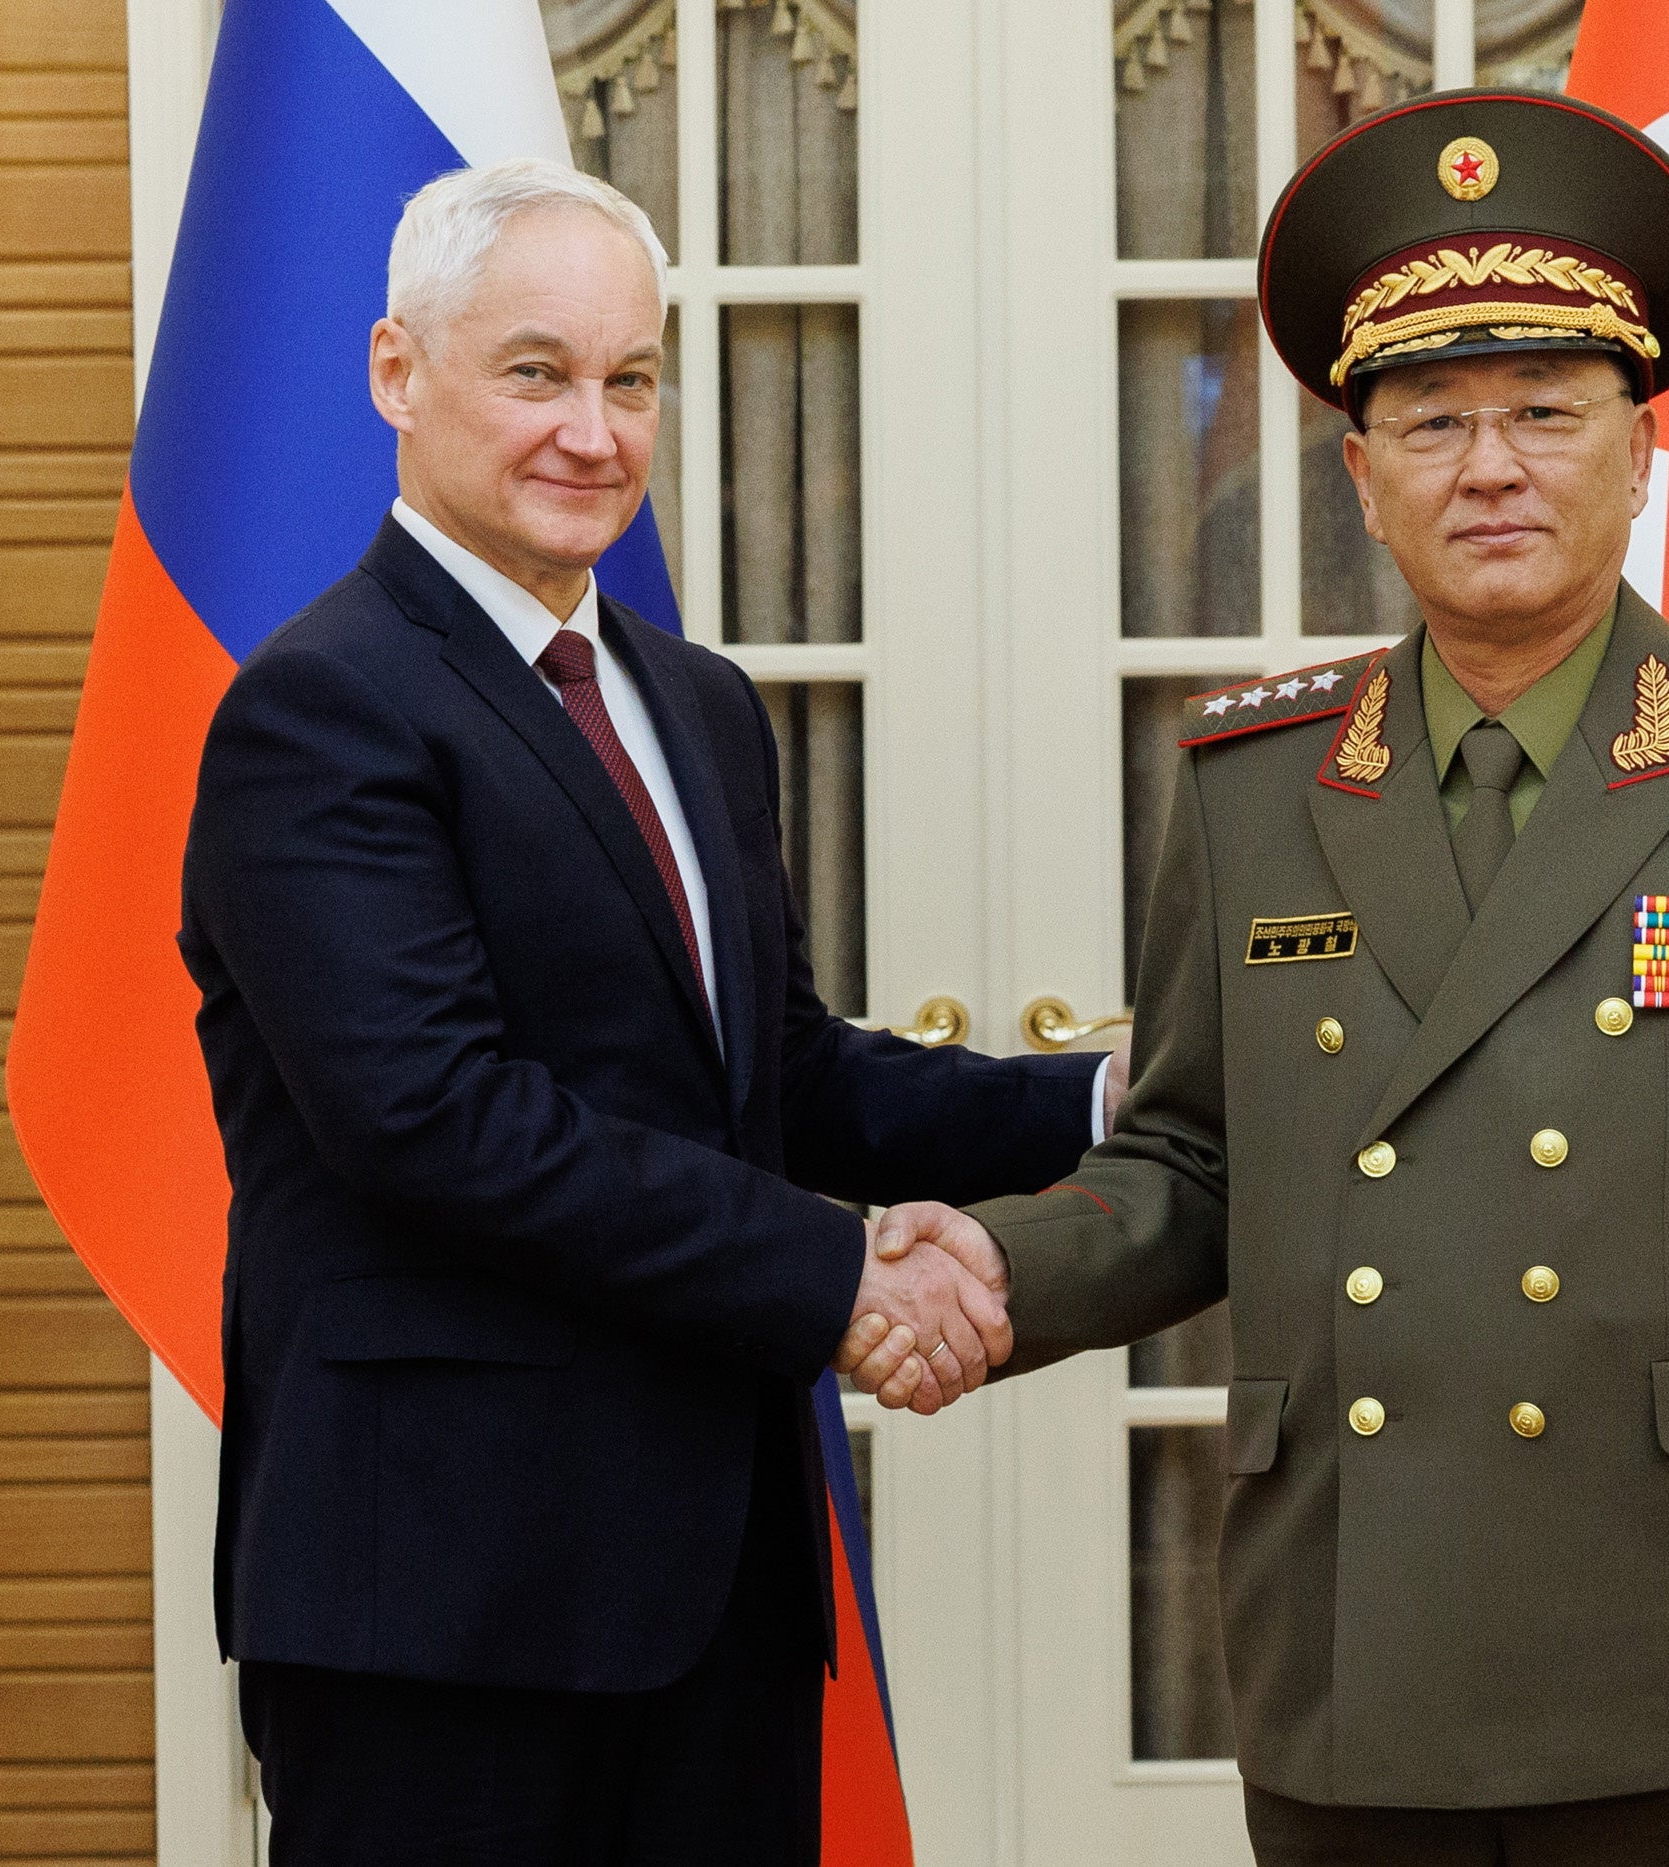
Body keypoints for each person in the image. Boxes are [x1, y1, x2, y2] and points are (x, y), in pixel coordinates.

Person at [872, 90, 1669, 1864]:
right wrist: (992, 1270)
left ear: (1642, 449)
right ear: (1360, 476)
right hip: (1362, 1643)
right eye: (1430, 423)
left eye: (1548, 414)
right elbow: (1190, 1161)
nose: (1491, 468)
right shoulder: (1255, 786)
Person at [176, 158, 1119, 1866]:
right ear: (399, 372)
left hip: (716, 1584)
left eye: (630, 379)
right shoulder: (319, 712)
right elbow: (437, 1126)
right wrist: (839, 1276)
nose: (594, 433)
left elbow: (779, 1069)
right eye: (536, 372)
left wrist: (1104, 1107)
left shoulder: (692, 704)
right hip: (441, 1607)